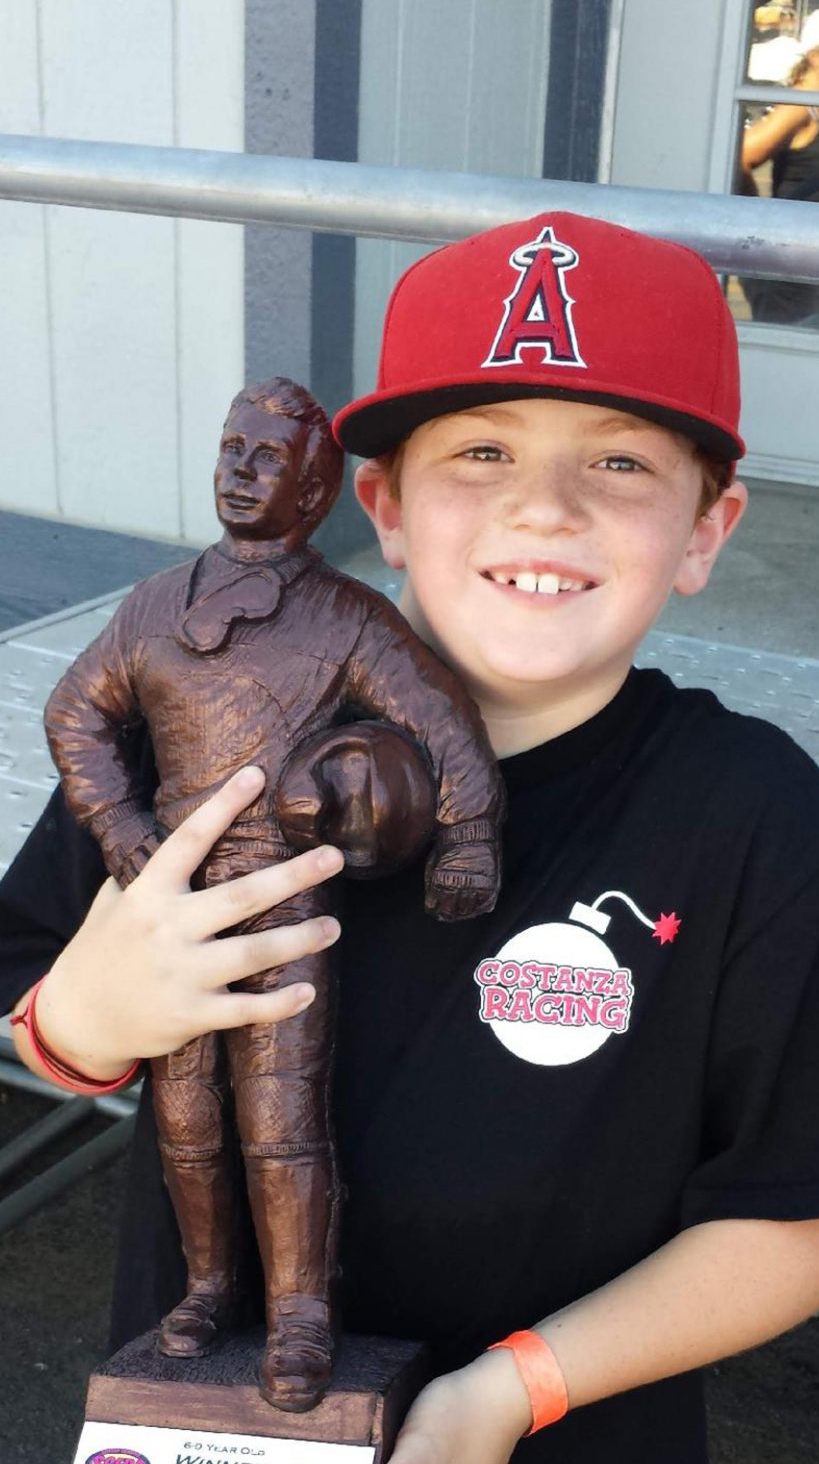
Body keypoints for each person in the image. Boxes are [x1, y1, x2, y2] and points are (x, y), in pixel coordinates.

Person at [0, 212, 819, 1464]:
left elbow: (818, 1212)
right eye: (482, 450)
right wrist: (91, 1021)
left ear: (711, 526)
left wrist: (514, 1391)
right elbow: (36, 996)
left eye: (622, 462)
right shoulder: (198, 721)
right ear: (381, 504)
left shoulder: (743, 817)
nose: (544, 509)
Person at [39, 374, 502, 1408]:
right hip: (167, 917)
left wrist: (466, 842)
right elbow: (75, 714)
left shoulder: (347, 618)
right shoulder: (154, 604)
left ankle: (300, 1314)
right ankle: (208, 1286)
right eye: (231, 450)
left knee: (284, 1122)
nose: (241, 473)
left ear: (317, 489)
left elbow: (445, 727)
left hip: (285, 914)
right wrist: (122, 830)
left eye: (267, 460)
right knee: (186, 1118)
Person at [739, 30, 819, 325]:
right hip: (790, 263)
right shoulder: (799, 106)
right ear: (814, 56)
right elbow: (742, 157)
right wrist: (756, 217)